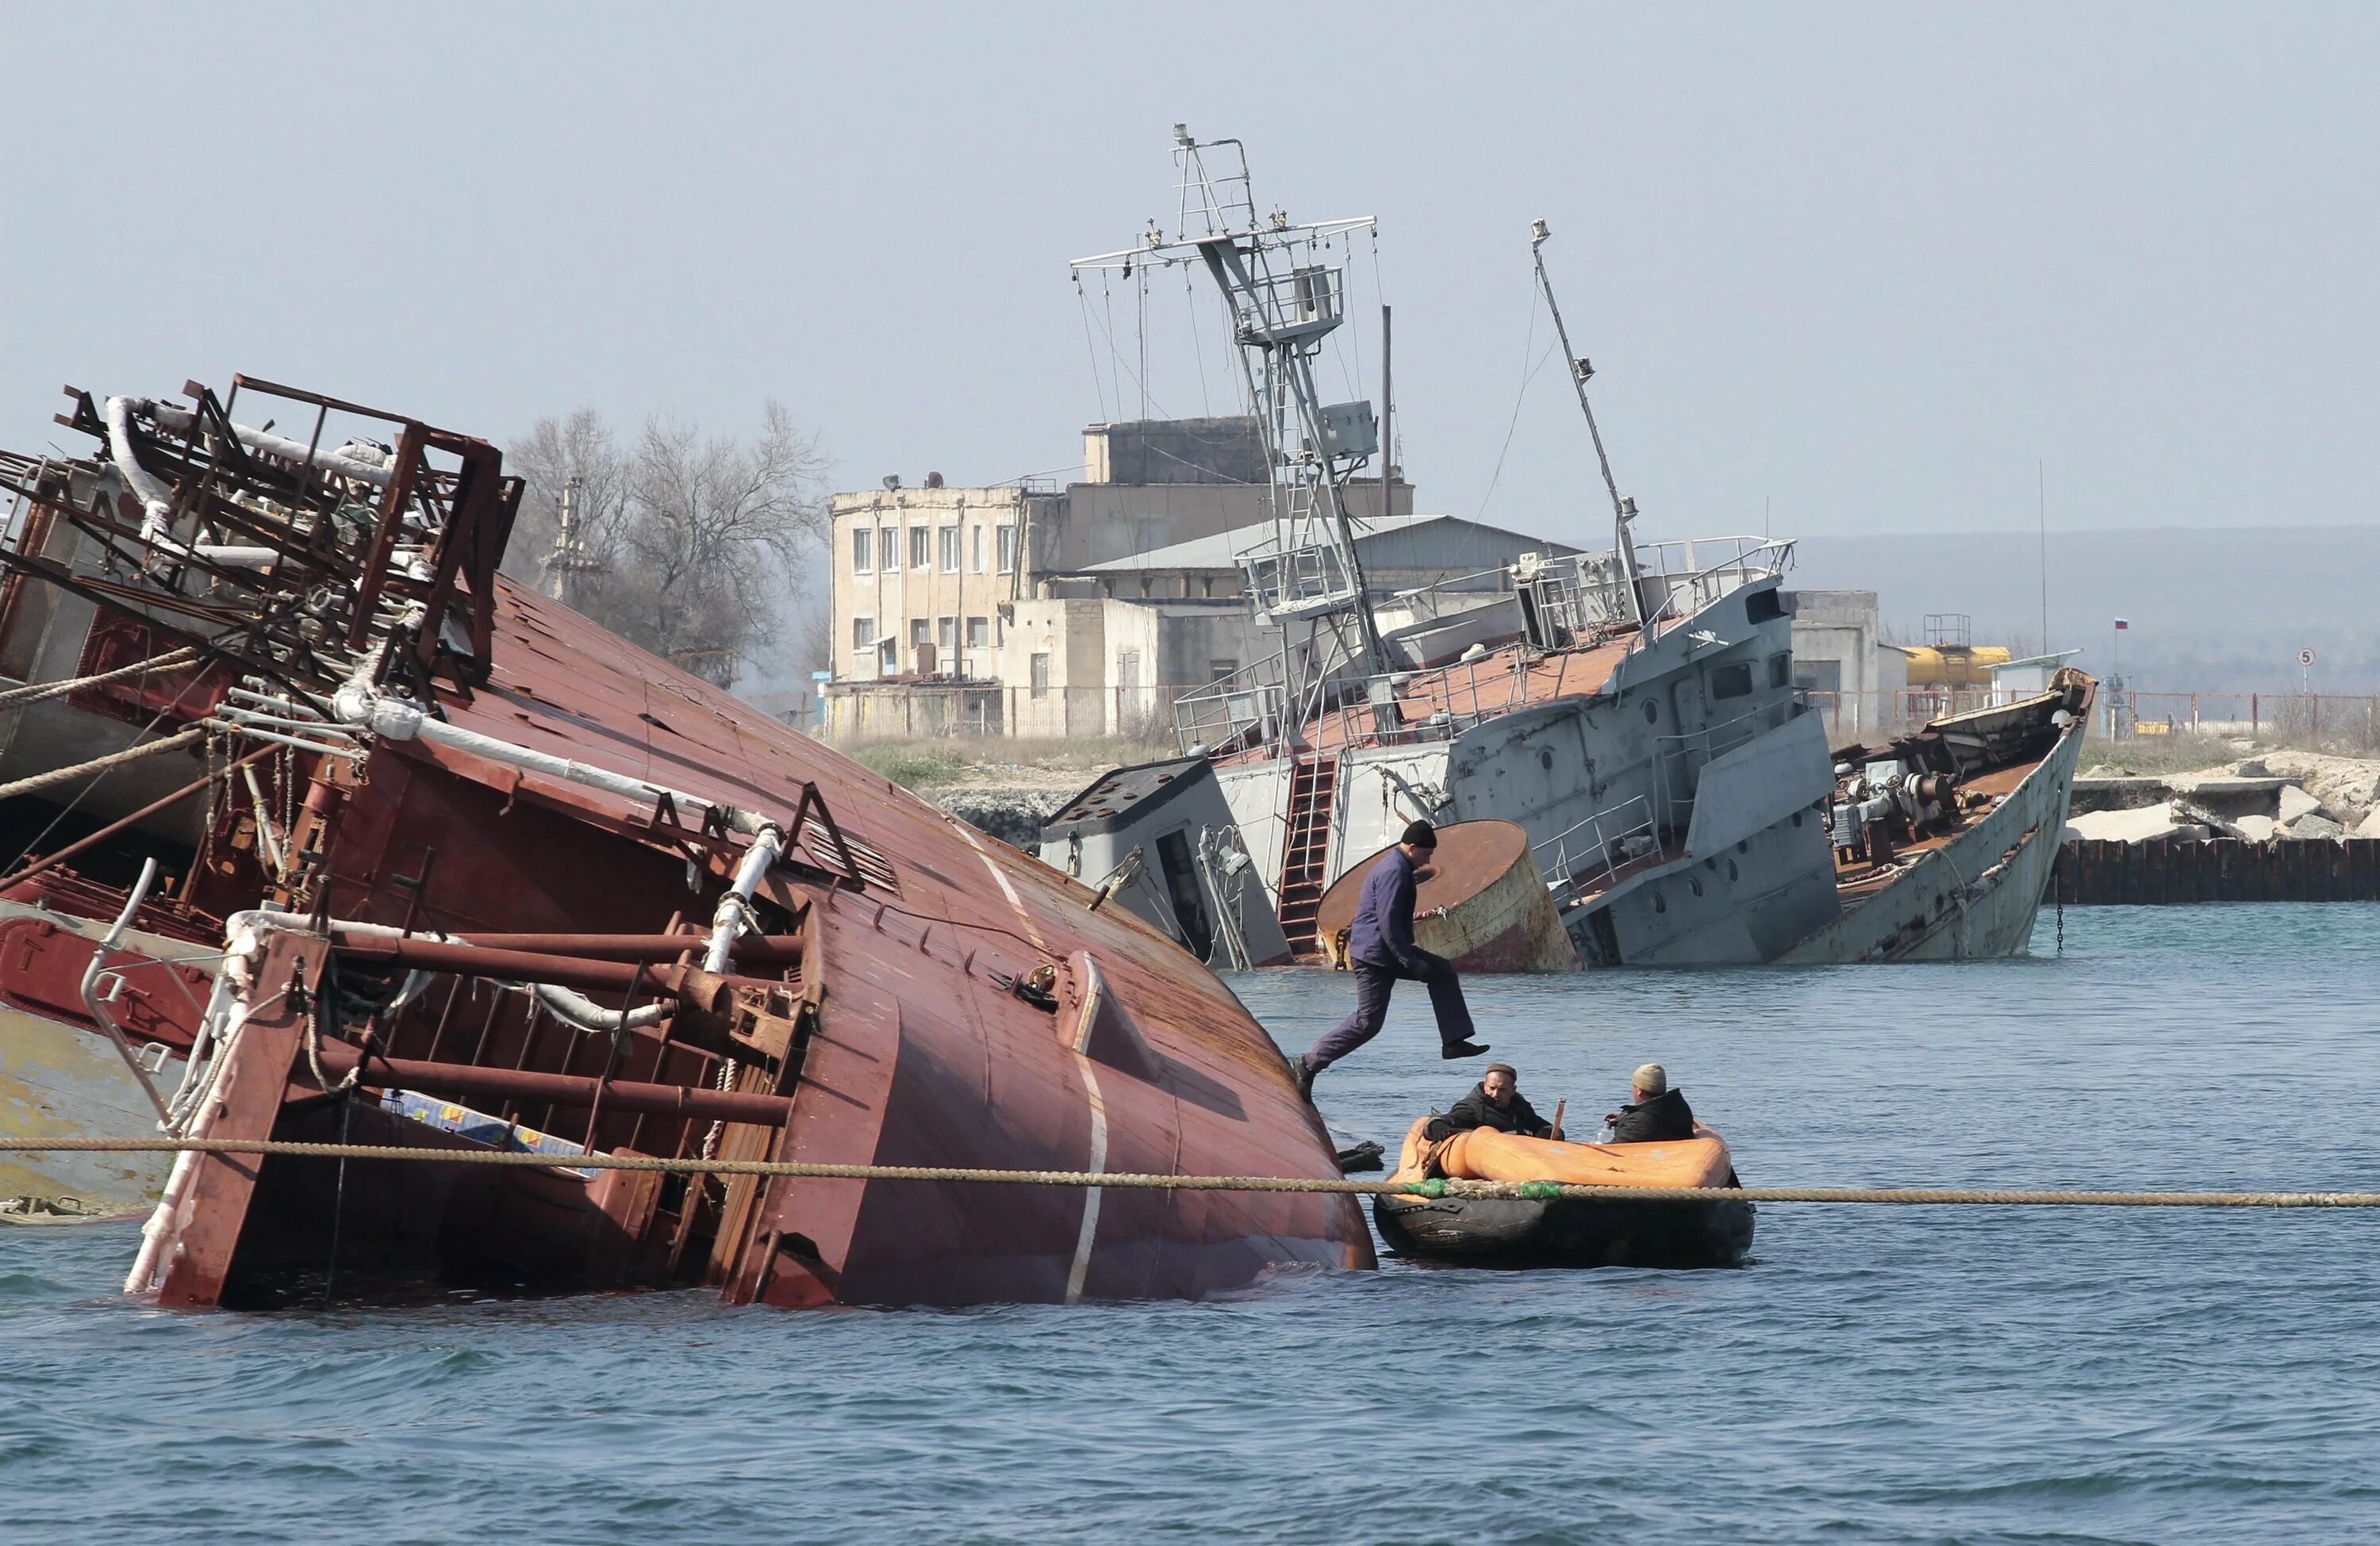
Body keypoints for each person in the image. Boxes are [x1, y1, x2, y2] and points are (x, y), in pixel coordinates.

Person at [1292, 819, 1489, 1099]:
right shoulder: (1394, 871)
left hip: (1382, 950)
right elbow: (1387, 923)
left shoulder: (1399, 866)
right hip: (1375, 955)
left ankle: (1454, 1041)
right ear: (1411, 848)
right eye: (1426, 854)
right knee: (1367, 1022)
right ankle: (1308, 1063)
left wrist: (1408, 958)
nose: (1428, 861)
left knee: (1442, 971)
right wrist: (1409, 960)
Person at [1424, 1062, 1560, 1141]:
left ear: (1513, 1090)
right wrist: (1437, 1127)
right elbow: (1444, 1121)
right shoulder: (1471, 1108)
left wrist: (1546, 1134)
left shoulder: (1521, 1107)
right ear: (1484, 1086)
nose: (1496, 1094)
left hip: (1521, 1157)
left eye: (1502, 1090)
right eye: (1492, 1088)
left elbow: (1542, 1125)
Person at [1605, 1062, 1695, 1142]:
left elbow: (1614, 1149)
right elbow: (1655, 1115)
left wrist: (1630, 1120)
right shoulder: (1678, 1107)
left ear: (1639, 1091)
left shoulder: (1639, 1124)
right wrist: (1624, 1117)